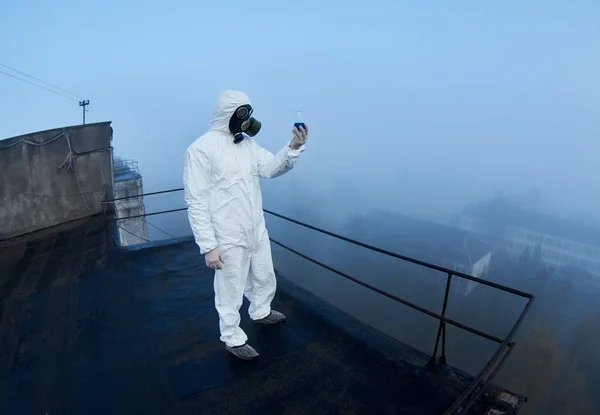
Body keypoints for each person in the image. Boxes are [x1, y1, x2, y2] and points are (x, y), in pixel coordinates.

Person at [183, 90, 308, 360]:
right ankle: (232, 337)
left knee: (263, 275)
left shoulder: (248, 144)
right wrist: (209, 246)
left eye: (248, 112)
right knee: (230, 289)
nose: (247, 119)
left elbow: (271, 168)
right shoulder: (200, 150)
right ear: (227, 114)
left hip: (255, 228)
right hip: (227, 236)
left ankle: (261, 310)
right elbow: (196, 202)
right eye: (242, 113)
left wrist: (293, 148)